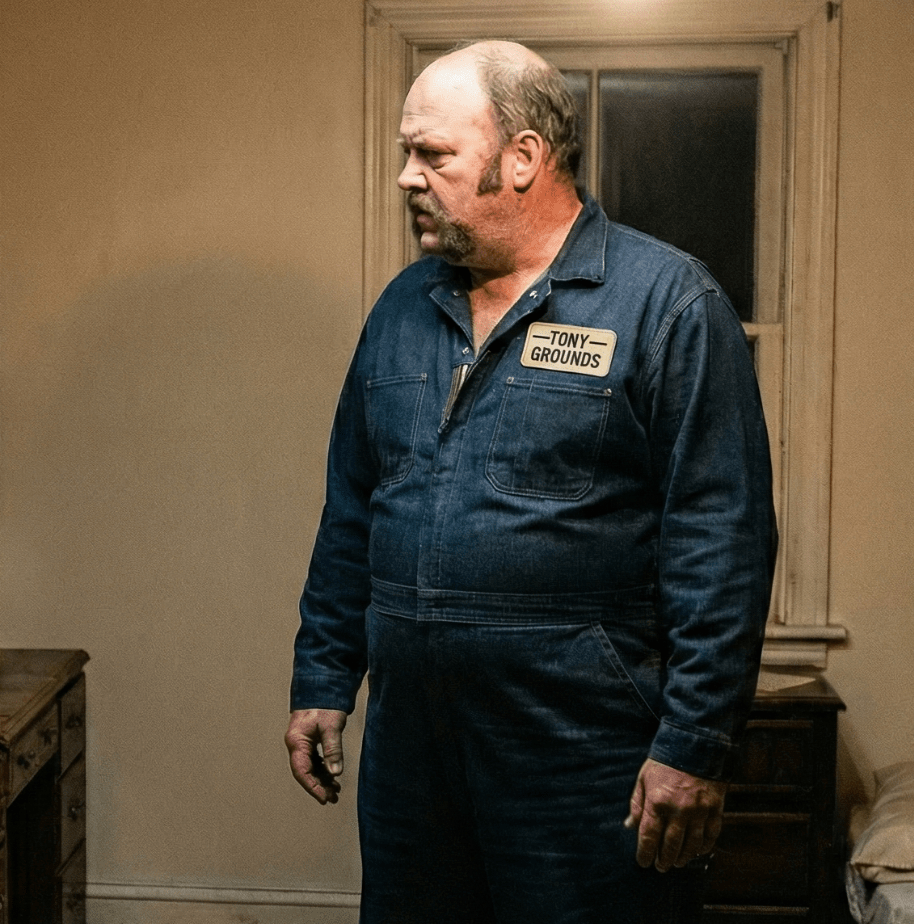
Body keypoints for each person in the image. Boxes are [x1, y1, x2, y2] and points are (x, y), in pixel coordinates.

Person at [284, 41, 777, 922]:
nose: (406, 176)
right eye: (408, 152)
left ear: (522, 159)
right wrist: (323, 675)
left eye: (433, 154)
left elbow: (721, 540)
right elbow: (353, 511)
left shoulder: (665, 305)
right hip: (414, 760)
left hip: (584, 759)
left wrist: (695, 745)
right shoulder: (404, 309)